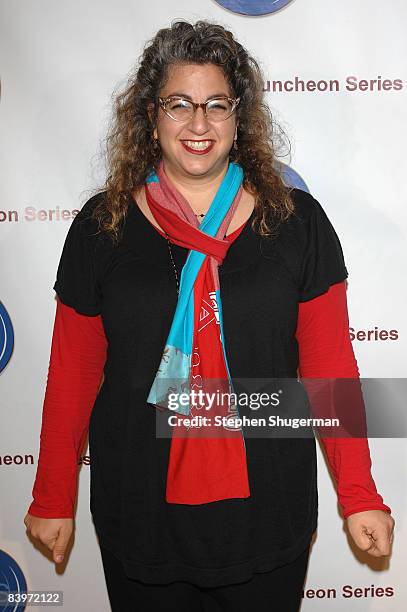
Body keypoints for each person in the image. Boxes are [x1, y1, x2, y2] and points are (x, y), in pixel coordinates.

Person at [24, 19, 394, 612]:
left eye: (216, 104)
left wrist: (359, 493)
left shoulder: (297, 223)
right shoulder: (102, 227)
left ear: (238, 116)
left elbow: (330, 370)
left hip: (267, 509)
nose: (199, 124)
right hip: (138, 507)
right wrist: (51, 495)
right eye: (179, 104)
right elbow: (72, 373)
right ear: (151, 115)